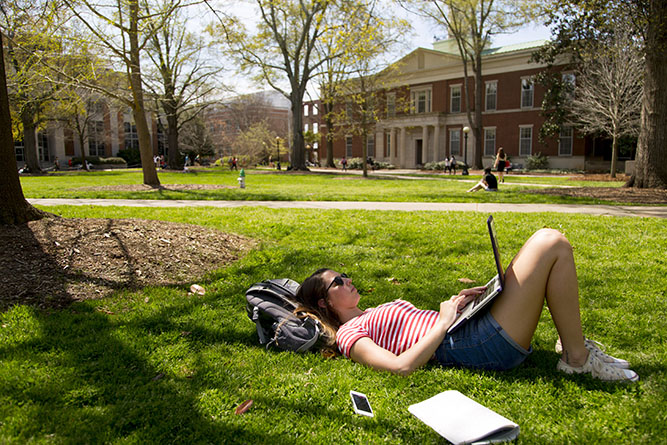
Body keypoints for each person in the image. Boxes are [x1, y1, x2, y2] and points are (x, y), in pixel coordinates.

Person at [294, 229, 638, 382]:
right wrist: (443, 321)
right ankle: (576, 359)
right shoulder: (350, 332)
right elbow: (400, 367)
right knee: (550, 242)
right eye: (337, 282)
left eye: (345, 274)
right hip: (471, 346)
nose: (347, 280)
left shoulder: (370, 312)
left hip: (467, 327)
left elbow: (420, 326)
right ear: (325, 303)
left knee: (545, 251)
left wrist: (461, 305)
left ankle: (574, 346)